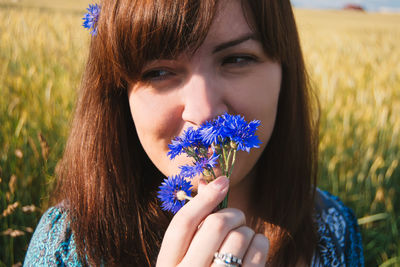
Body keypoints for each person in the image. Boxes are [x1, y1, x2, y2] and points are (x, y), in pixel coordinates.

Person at [24, 0, 364, 266]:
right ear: (118, 93)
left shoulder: (333, 230)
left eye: (237, 59)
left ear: (284, 71)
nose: (202, 113)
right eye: (158, 71)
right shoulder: (68, 246)